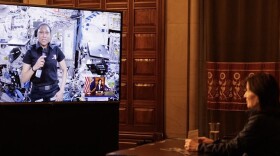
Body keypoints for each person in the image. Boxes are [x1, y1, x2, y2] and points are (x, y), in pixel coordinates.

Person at [185, 72, 280, 156]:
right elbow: (240, 141)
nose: (244, 95)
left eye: (248, 90)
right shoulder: (270, 116)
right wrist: (214, 143)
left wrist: (198, 147)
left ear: (260, 93)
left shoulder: (261, 120)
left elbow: (233, 149)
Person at [21, 23, 67, 102]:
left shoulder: (55, 49)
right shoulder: (30, 51)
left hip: (54, 92)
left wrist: (61, 91)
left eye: (47, 32)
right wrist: (34, 67)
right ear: (37, 35)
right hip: (37, 93)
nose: (44, 35)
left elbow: (65, 70)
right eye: (41, 32)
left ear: (50, 35)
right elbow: (23, 79)